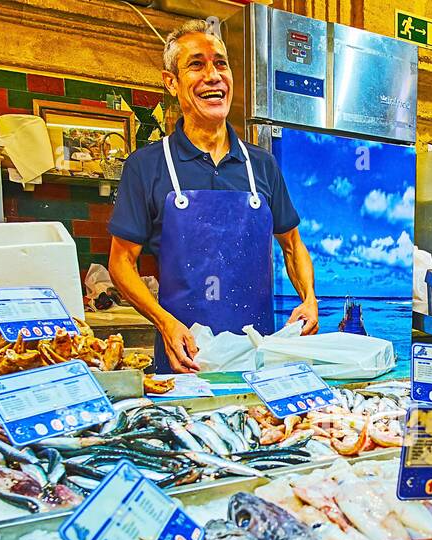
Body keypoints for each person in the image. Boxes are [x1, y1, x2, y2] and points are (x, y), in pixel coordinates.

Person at [107, 20, 318, 372]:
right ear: (171, 82)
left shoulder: (262, 165)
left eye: (220, 63)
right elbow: (120, 263)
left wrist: (309, 300)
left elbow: (293, 245)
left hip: (258, 356)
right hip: (184, 358)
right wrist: (164, 322)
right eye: (196, 64)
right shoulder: (147, 166)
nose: (213, 75)